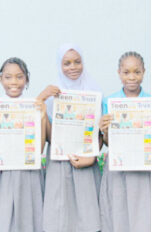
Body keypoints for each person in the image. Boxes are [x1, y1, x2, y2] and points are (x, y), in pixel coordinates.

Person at [99, 51, 151, 232]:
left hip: (144, 167)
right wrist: (105, 130)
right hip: (118, 167)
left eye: (137, 72)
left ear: (144, 72)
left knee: (144, 215)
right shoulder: (109, 102)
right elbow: (107, 142)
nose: (132, 77)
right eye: (126, 72)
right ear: (118, 73)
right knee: (118, 212)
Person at [0, 57, 47, 232]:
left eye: (19, 76)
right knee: (3, 222)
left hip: (29, 174)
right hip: (4, 174)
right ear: (1, 78)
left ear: (27, 79)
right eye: (8, 77)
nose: (14, 82)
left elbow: (38, 149)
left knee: (30, 221)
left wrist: (43, 116)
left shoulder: (34, 107)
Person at [38, 44, 102, 232]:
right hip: (58, 163)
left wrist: (91, 157)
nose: (72, 67)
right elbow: (49, 136)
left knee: (87, 214)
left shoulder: (94, 91)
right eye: (66, 63)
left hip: (85, 162)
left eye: (77, 62)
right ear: (59, 65)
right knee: (59, 218)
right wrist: (41, 99)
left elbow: (99, 133)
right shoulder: (53, 95)